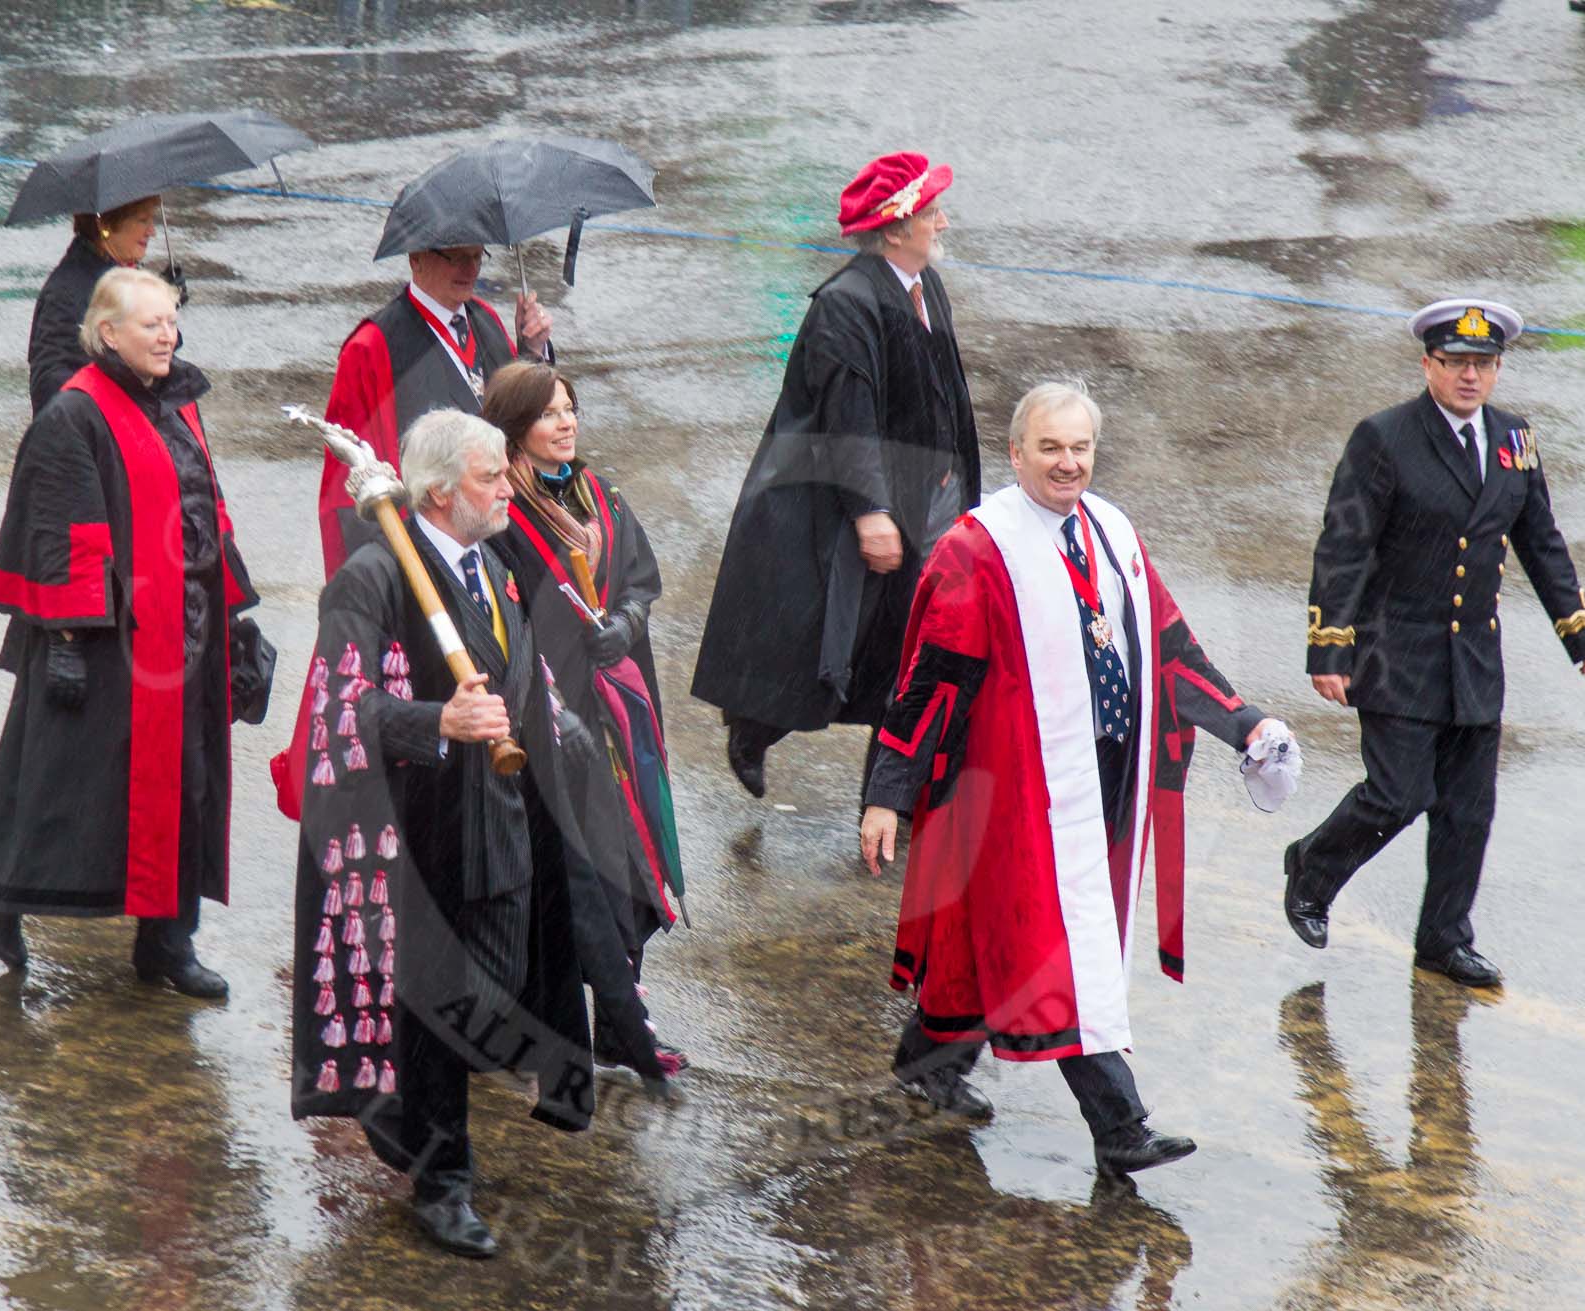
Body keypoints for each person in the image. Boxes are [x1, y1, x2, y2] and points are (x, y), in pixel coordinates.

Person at [859, 381, 1289, 1178]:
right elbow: (929, 683)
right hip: (1010, 789)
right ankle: (1120, 1125)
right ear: (1016, 453)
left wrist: (1246, 722)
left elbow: (1169, 648)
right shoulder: (977, 549)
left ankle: (928, 1066)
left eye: (1080, 447)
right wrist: (887, 794)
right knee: (1054, 948)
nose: (1067, 463)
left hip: (1100, 778)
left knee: (994, 938)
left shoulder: (1111, 531)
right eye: (1050, 447)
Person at [288, 409, 664, 1260]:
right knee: (438, 1006)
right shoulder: (373, 579)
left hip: (506, 820)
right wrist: (436, 720)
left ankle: (413, 1115)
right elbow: (339, 711)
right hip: (420, 835)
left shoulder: (493, 563)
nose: (507, 490)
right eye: (492, 477)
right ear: (438, 492)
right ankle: (441, 1180)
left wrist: (563, 728)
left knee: (496, 994)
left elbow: (522, 671)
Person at [1283, 299, 1585, 988]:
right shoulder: (1384, 437)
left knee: (1467, 810)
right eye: (1456, 362)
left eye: (1483, 365)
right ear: (1427, 364)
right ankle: (1312, 867)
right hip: (1395, 650)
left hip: (1473, 658)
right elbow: (1344, 545)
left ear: (1498, 370)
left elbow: (1539, 538)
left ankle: (1444, 939)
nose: (1470, 376)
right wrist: (1330, 647)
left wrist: (1579, 630)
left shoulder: (1513, 438)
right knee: (1398, 795)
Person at [0, 267, 272, 996]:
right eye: (151, 324)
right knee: (64, 788)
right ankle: (3, 892)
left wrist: (234, 617)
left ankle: (168, 942)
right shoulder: (73, 415)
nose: (168, 335)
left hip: (185, 632)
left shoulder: (181, 403)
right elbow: (64, 534)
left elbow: (208, 509)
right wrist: (68, 642)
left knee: (188, 785)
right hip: (104, 641)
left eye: (171, 321)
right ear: (108, 333)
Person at [691, 151, 980, 798]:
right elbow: (848, 417)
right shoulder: (846, 305)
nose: (943, 222)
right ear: (896, 230)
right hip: (853, 503)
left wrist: (955, 481)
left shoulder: (924, 286)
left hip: (924, 498)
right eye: (931, 213)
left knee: (911, 649)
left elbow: (943, 389)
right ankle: (754, 725)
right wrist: (871, 511)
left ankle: (890, 797)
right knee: (824, 640)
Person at [481, 361, 689, 1077]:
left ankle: (621, 1020)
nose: (566, 422)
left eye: (569, 408)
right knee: (575, 865)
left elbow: (640, 579)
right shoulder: (501, 516)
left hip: (615, 709)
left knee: (630, 857)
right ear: (514, 429)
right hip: (552, 711)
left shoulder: (601, 496)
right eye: (548, 413)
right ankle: (558, 1017)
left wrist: (624, 620)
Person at [313, 243, 556, 575]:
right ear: (416, 258)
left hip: (500, 543)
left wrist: (533, 353)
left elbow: (516, 424)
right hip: (428, 555)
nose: (470, 269)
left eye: (477, 256)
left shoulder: (486, 319)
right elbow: (352, 479)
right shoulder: (371, 347)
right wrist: (379, 580)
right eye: (456, 257)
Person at [27, 196, 174, 415]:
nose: (151, 231)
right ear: (105, 224)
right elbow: (52, 384)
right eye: (143, 220)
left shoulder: (121, 274)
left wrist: (162, 305)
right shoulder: (68, 293)